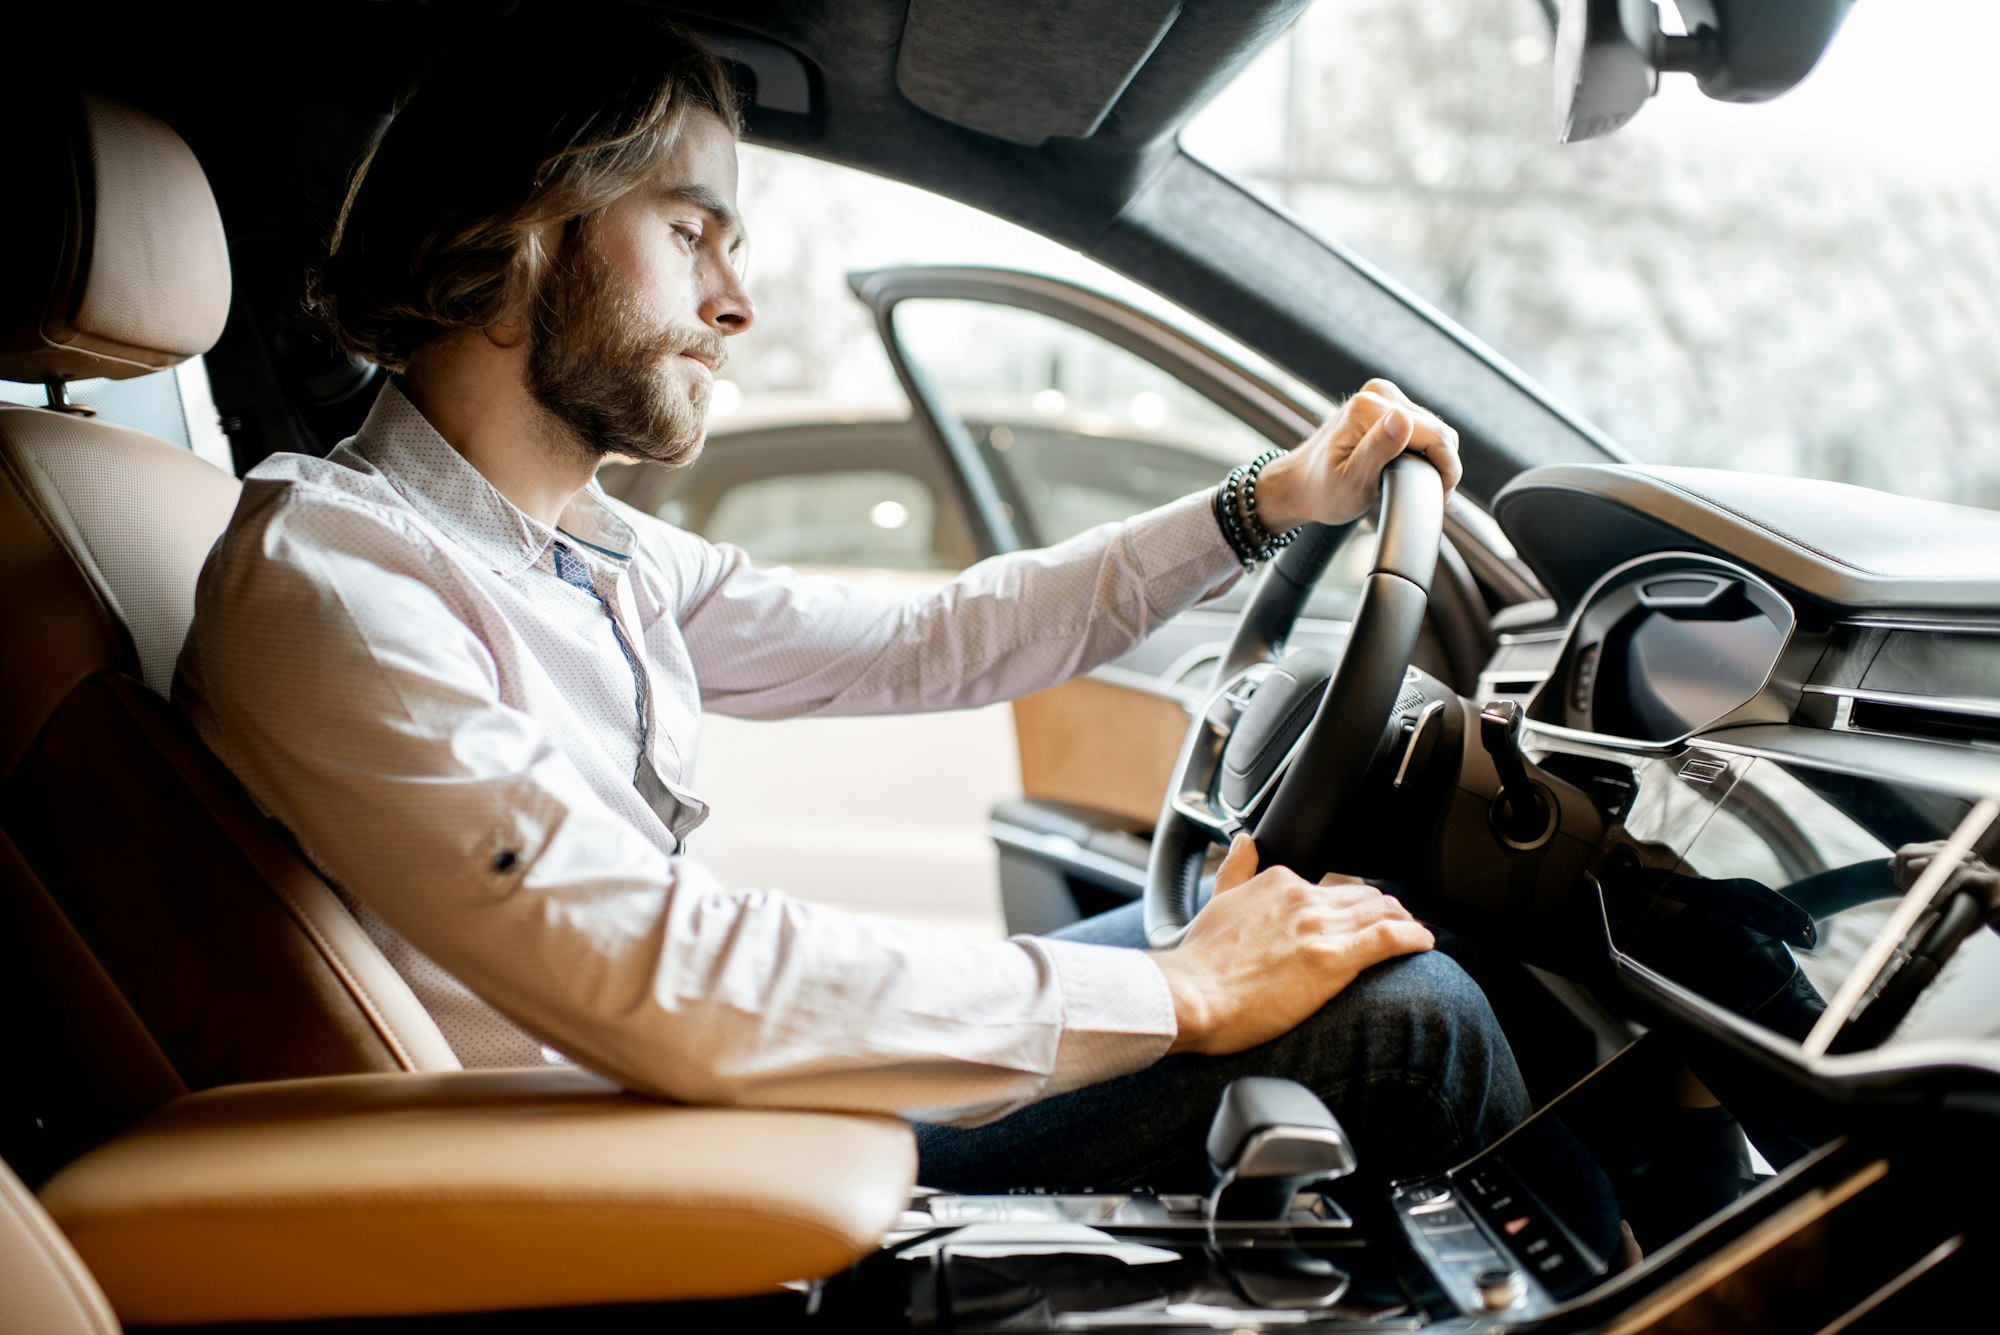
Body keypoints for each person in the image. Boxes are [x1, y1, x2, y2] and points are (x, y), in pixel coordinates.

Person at [175, 6, 1528, 1190]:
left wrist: (1264, 504)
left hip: (675, 1108)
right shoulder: (341, 580)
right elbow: (666, 978)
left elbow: (934, 641)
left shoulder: (580, 553)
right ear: (518, 239)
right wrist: (1181, 991)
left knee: (1342, 908)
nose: (737, 301)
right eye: (691, 232)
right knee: (1409, 1012)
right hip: (618, 1180)